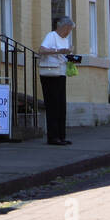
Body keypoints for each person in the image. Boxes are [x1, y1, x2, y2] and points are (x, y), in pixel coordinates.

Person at [38, 16, 74, 145]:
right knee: (53, 105)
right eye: (68, 29)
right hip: (50, 74)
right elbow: (42, 50)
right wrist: (59, 50)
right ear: (62, 27)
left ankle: (61, 136)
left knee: (61, 106)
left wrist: (72, 57)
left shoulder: (65, 39)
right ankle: (53, 137)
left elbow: (64, 56)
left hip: (61, 73)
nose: (69, 32)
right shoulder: (51, 36)